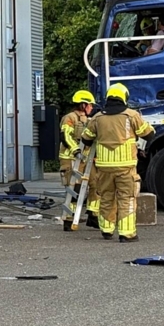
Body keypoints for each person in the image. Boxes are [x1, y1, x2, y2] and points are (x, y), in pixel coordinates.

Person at [82, 83, 155, 242]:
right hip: (125, 167)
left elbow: (86, 139)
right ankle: (127, 234)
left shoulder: (97, 117)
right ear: (124, 97)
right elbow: (148, 134)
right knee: (126, 199)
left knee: (106, 197)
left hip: (104, 168)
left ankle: (107, 230)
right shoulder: (131, 115)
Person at [59, 90, 100, 227]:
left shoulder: (89, 120)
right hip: (70, 158)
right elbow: (66, 136)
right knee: (74, 189)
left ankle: (93, 216)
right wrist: (76, 151)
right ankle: (69, 220)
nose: (92, 107)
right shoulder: (70, 118)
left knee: (96, 184)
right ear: (83, 104)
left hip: (86, 159)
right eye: (90, 105)